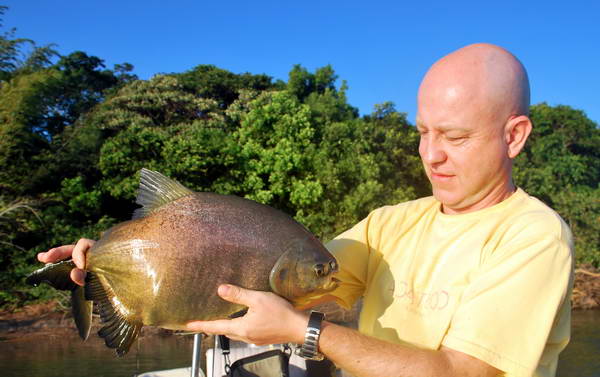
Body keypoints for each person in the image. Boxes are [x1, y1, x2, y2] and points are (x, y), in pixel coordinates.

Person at [39, 43, 573, 377]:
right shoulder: (392, 223)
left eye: (454, 136)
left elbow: (461, 373)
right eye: (423, 132)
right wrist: (117, 267)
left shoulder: (532, 236)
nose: (429, 155)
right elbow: (261, 291)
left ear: (515, 136)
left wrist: (306, 332)